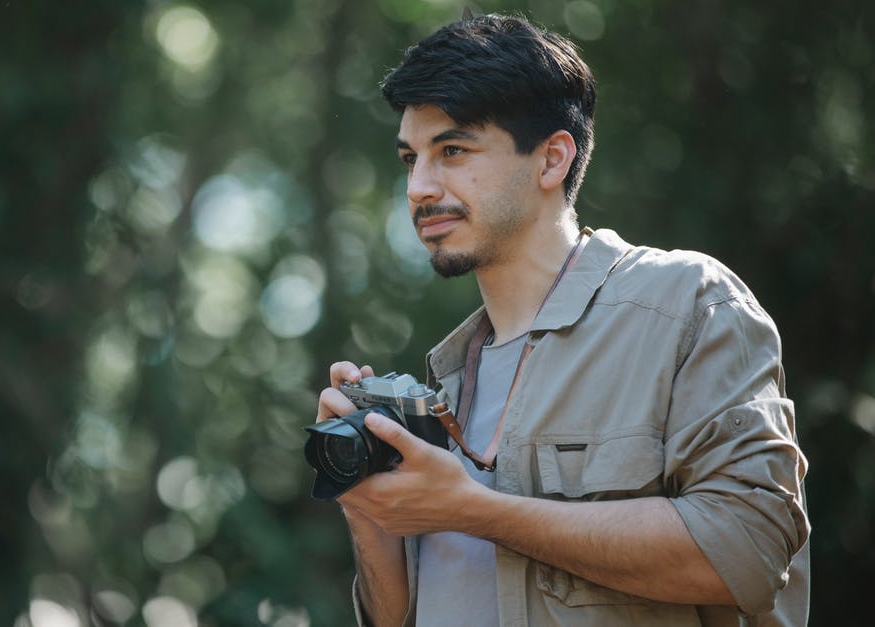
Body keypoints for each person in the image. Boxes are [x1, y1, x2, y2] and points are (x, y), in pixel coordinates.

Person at [312, 13, 810, 627]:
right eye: (409, 158)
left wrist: (472, 508)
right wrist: (368, 504)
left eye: (453, 150)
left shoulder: (686, 303)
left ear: (552, 160)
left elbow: (748, 551)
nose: (417, 186)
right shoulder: (445, 384)